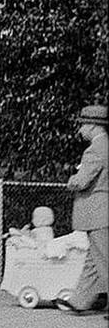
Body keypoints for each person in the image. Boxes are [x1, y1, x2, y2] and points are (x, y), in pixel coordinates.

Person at [56, 103, 108, 315]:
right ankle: (80, 300)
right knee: (93, 260)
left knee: (104, 260)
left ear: (94, 126)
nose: (80, 130)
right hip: (102, 212)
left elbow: (82, 181)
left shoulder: (95, 150)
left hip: (98, 212)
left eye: (83, 125)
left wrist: (71, 179)